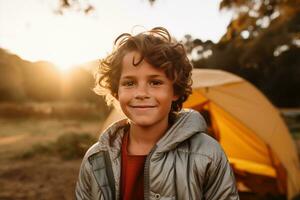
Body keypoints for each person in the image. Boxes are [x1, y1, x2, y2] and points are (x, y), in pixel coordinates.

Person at [75, 27, 239, 200]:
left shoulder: (208, 154)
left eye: (155, 82)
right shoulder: (96, 159)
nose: (141, 93)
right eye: (129, 83)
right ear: (117, 91)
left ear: (175, 90)